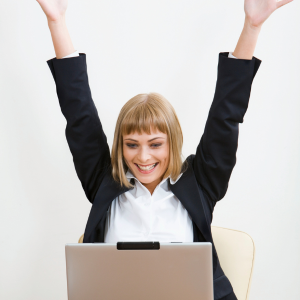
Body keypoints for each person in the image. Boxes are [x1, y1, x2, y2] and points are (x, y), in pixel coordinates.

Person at [36, 0, 293, 299]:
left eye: (155, 145)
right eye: (132, 145)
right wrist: (57, 20)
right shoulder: (105, 183)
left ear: (173, 142)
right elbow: (79, 114)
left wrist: (252, 25)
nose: (143, 157)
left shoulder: (200, 184)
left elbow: (226, 116)